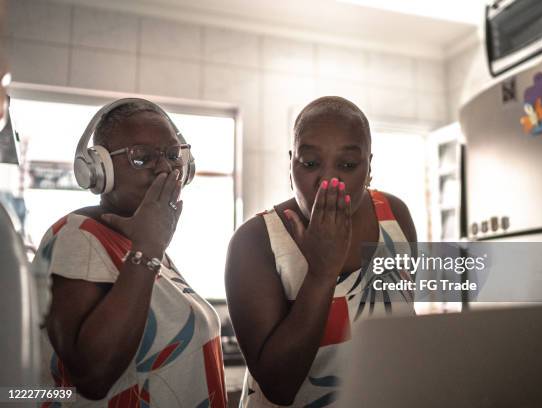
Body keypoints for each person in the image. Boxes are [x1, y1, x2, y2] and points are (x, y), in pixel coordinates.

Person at [32, 99, 227, 407]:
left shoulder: (146, 245)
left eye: (174, 155)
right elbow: (93, 376)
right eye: (142, 157)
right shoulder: (77, 236)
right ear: (99, 171)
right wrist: (148, 248)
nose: (165, 168)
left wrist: (150, 247)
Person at [225, 96, 417, 407]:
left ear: (369, 168)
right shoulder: (255, 241)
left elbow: (404, 331)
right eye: (311, 163)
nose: (328, 181)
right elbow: (279, 386)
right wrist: (321, 272)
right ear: (291, 165)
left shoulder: (395, 216)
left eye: (348, 165)